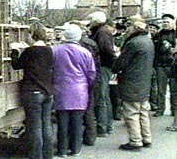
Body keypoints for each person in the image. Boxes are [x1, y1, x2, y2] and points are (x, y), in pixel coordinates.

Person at [53, 24, 96, 157]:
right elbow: (91, 73)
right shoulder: (85, 52)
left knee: (62, 123)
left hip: (61, 89)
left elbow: (50, 69)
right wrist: (88, 86)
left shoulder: (55, 50)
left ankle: (62, 150)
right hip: (79, 90)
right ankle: (75, 148)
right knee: (77, 122)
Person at [112, 15, 154, 151]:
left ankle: (135, 141)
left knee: (131, 112)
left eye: (129, 25)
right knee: (143, 110)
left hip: (131, 81)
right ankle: (146, 138)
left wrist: (115, 66)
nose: (127, 29)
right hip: (144, 80)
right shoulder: (147, 41)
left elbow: (121, 63)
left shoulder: (133, 43)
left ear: (135, 27)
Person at [11, 27, 54, 159]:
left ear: (32, 36)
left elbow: (16, 65)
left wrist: (14, 51)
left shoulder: (30, 51)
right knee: (46, 124)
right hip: (47, 92)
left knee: (34, 126)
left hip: (32, 92)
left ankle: (36, 155)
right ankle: (48, 154)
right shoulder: (50, 51)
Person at [87, 11, 116, 137]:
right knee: (104, 97)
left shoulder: (102, 32)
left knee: (102, 97)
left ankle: (102, 127)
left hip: (103, 66)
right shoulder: (103, 31)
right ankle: (106, 125)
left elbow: (106, 50)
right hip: (105, 66)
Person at [153, 13, 176, 117]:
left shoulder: (176, 34)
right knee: (160, 90)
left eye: (167, 21)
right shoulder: (158, 34)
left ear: (172, 22)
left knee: (174, 90)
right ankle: (160, 109)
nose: (165, 23)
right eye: (164, 22)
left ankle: (174, 110)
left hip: (173, 65)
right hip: (160, 65)